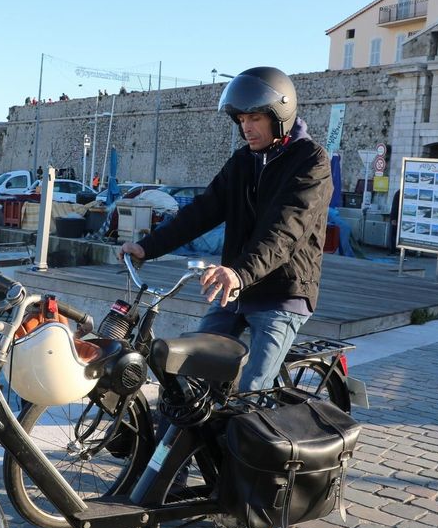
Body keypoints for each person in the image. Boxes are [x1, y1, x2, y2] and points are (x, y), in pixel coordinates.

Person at [119, 66, 332, 395]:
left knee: (252, 391)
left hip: (282, 293)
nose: (246, 128)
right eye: (242, 120)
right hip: (236, 290)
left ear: (280, 115)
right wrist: (149, 247)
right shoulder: (243, 161)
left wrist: (239, 273)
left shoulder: (311, 162)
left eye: (255, 119)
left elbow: (286, 231)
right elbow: (203, 211)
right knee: (190, 372)